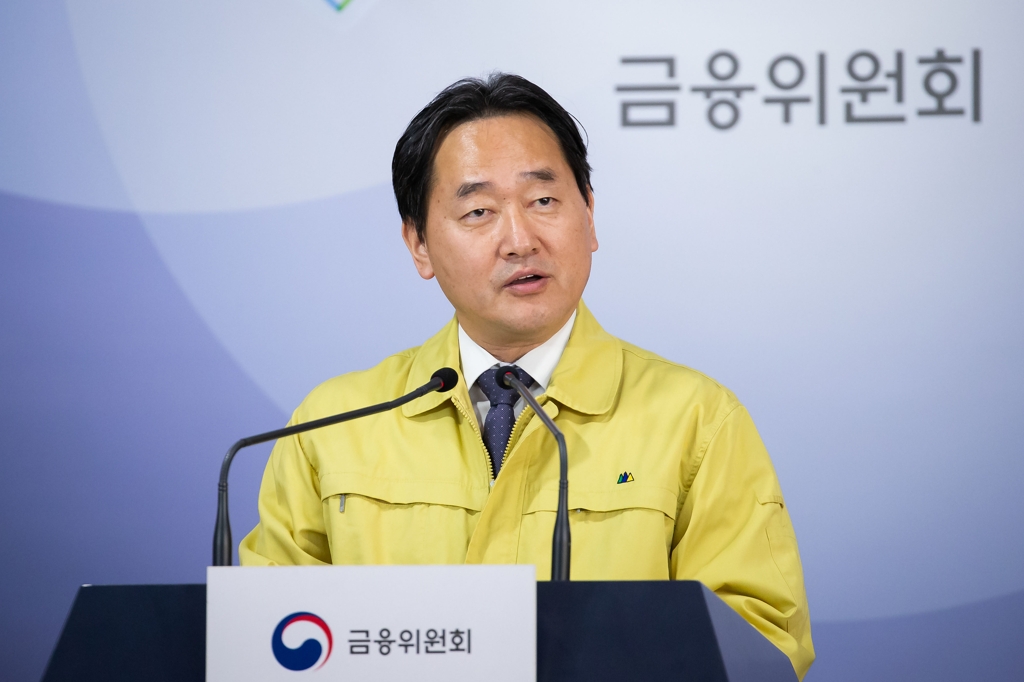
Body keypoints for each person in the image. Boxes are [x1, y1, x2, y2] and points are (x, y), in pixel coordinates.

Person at [240, 73, 814, 678]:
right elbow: (266, 643)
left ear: (589, 214)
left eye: (543, 201)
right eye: (479, 211)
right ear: (419, 245)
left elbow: (757, 647)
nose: (519, 240)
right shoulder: (333, 426)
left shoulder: (696, 420)